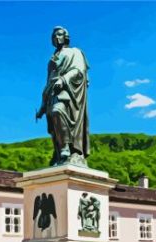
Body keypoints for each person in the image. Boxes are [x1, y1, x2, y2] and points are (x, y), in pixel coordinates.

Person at [36, 26, 90, 166]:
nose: (56, 37)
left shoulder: (75, 52)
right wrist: (42, 105)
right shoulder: (52, 58)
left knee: (57, 111)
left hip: (67, 91)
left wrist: (64, 79)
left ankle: (66, 147)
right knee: (53, 124)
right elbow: (48, 81)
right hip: (52, 92)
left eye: (59, 35)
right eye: (54, 36)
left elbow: (79, 70)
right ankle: (60, 152)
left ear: (66, 37)